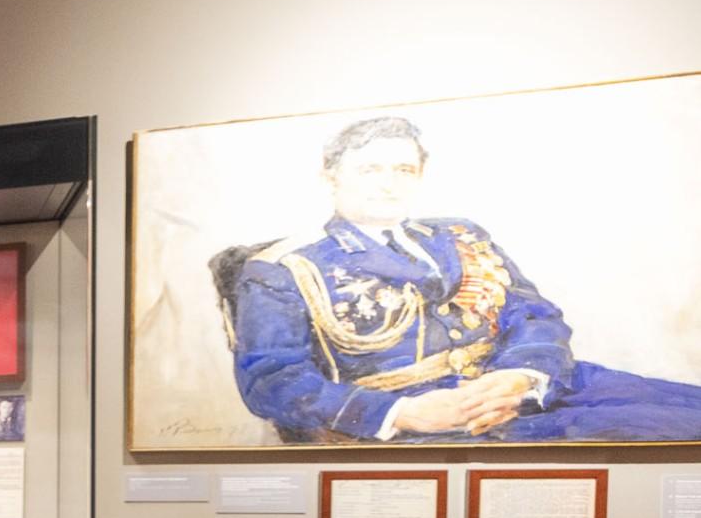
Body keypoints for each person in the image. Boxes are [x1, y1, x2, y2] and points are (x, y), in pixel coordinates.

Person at [229, 115, 701, 443]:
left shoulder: (461, 234)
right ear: (331, 177)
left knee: (689, 407)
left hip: (529, 387)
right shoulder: (282, 270)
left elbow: (534, 314)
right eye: (370, 169)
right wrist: (403, 414)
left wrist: (522, 374)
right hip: (438, 419)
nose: (389, 183)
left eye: (403, 170)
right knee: (664, 433)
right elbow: (273, 382)